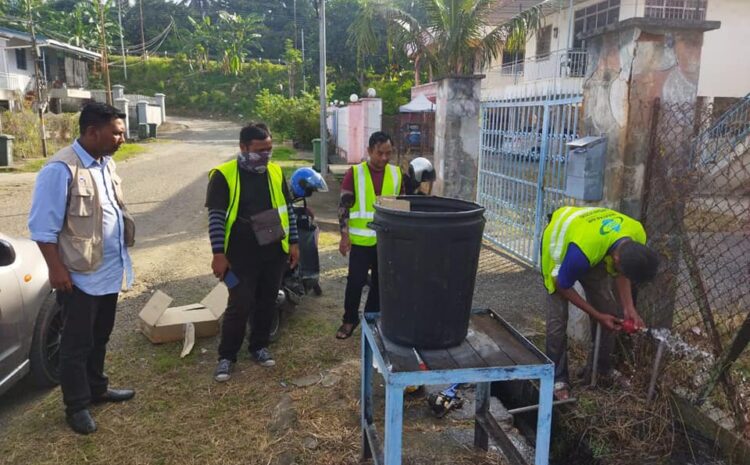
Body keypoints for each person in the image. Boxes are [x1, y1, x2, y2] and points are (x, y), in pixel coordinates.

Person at [28, 102, 135, 435]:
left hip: (107, 270)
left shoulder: (106, 164)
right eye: (117, 132)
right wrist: (57, 271)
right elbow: (42, 230)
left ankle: (97, 388)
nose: (123, 138)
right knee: (75, 345)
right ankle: (76, 406)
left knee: (100, 337)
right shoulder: (60, 170)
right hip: (78, 277)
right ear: (93, 132)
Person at [205, 122, 300, 382]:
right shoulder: (223, 175)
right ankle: (227, 356)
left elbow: (288, 210)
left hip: (273, 252)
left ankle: (259, 346)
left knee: (267, 300)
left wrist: (293, 242)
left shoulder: (276, 172)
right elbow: (216, 217)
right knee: (240, 302)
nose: (266, 155)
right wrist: (218, 254)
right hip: (238, 257)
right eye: (259, 150)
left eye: (269, 149)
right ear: (243, 148)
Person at [541, 206, 659, 400]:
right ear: (617, 258)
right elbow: (562, 284)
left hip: (594, 245)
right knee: (557, 321)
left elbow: (622, 273)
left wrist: (629, 309)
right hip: (560, 243)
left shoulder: (637, 233)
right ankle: (558, 378)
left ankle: (600, 369)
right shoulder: (582, 255)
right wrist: (596, 315)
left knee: (611, 312)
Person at [336, 131, 403, 339]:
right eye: (379, 153)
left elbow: (402, 206)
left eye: (388, 153)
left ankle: (371, 318)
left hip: (386, 241)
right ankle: (349, 320)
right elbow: (343, 207)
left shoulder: (396, 173)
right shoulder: (354, 173)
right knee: (355, 281)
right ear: (369, 151)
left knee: (380, 283)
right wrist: (344, 235)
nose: (384, 158)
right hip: (361, 242)